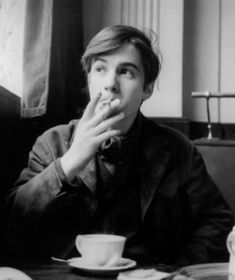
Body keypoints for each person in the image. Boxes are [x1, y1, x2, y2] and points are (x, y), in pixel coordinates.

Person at [8, 25, 233, 269]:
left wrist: (173, 271)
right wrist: (68, 164)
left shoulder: (179, 150)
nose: (110, 84)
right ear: (89, 79)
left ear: (147, 88)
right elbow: (12, 221)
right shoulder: (51, 143)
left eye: (125, 72)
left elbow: (217, 223)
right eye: (100, 69)